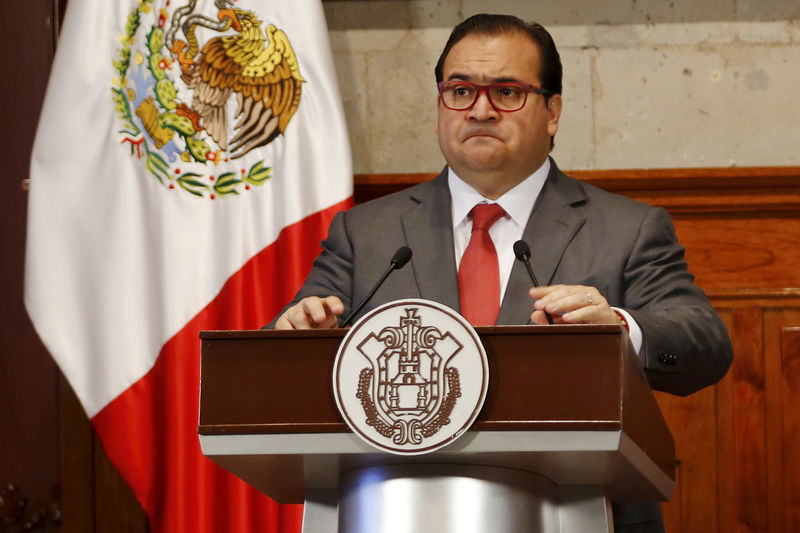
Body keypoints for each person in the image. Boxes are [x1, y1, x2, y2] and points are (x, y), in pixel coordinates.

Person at [269, 13, 733, 532]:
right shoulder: (366, 232)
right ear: (440, 104)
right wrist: (296, 341)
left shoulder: (626, 228)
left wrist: (620, 330)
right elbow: (279, 356)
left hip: (581, 514)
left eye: (507, 92)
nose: (481, 111)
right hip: (389, 511)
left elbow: (705, 344)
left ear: (552, 111)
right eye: (461, 90)